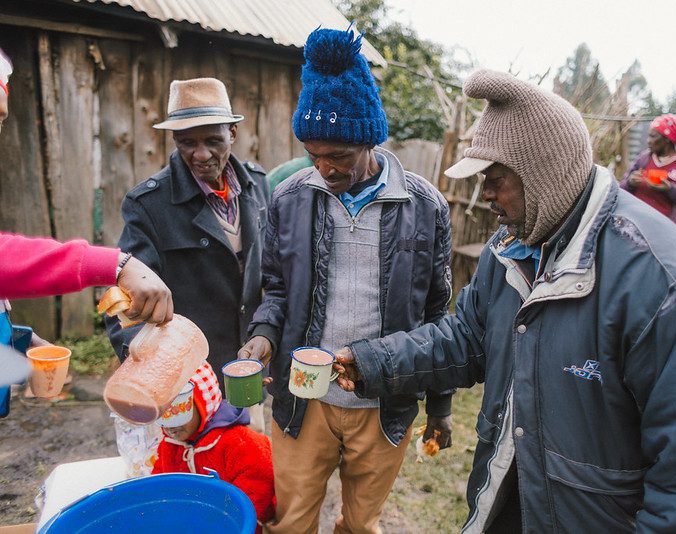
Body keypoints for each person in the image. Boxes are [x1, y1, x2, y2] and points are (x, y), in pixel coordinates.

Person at [334, 70, 676, 533]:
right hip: (510, 503)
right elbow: (467, 338)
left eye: (495, 179)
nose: (484, 195)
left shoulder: (664, 282)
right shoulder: (512, 247)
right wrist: (374, 361)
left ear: (543, 172)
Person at [238, 27, 454, 533]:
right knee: (291, 522)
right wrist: (263, 336)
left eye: (337, 156)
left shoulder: (424, 208)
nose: (323, 168)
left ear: (368, 141)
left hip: (385, 402)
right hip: (303, 400)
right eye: (313, 154)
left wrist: (440, 406)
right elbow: (275, 289)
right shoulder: (289, 199)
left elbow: (438, 315)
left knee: (362, 524)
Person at [1, 46, 173, 414]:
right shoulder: (147, 199)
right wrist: (117, 264)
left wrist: (15, 340)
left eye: (0, 120)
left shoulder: (251, 185)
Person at [105, 78, 270, 401]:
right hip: (184, 381)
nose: (201, 154)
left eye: (213, 140)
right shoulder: (149, 205)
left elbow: (272, 275)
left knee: (248, 450)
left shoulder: (257, 185)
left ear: (232, 133)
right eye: (187, 143)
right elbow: (123, 300)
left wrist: (267, 334)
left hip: (244, 371)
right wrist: (151, 370)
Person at [152, 363, 275, 533]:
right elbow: (160, 487)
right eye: (162, 412)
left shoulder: (239, 442)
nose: (171, 425)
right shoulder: (170, 445)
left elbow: (255, 494)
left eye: (180, 410)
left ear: (205, 405)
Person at [620, 114, 676, 233]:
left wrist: (670, 189)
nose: (648, 141)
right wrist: (630, 183)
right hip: (636, 227)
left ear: (667, 139)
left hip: (668, 233)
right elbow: (621, 189)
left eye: (652, 136)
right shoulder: (644, 158)